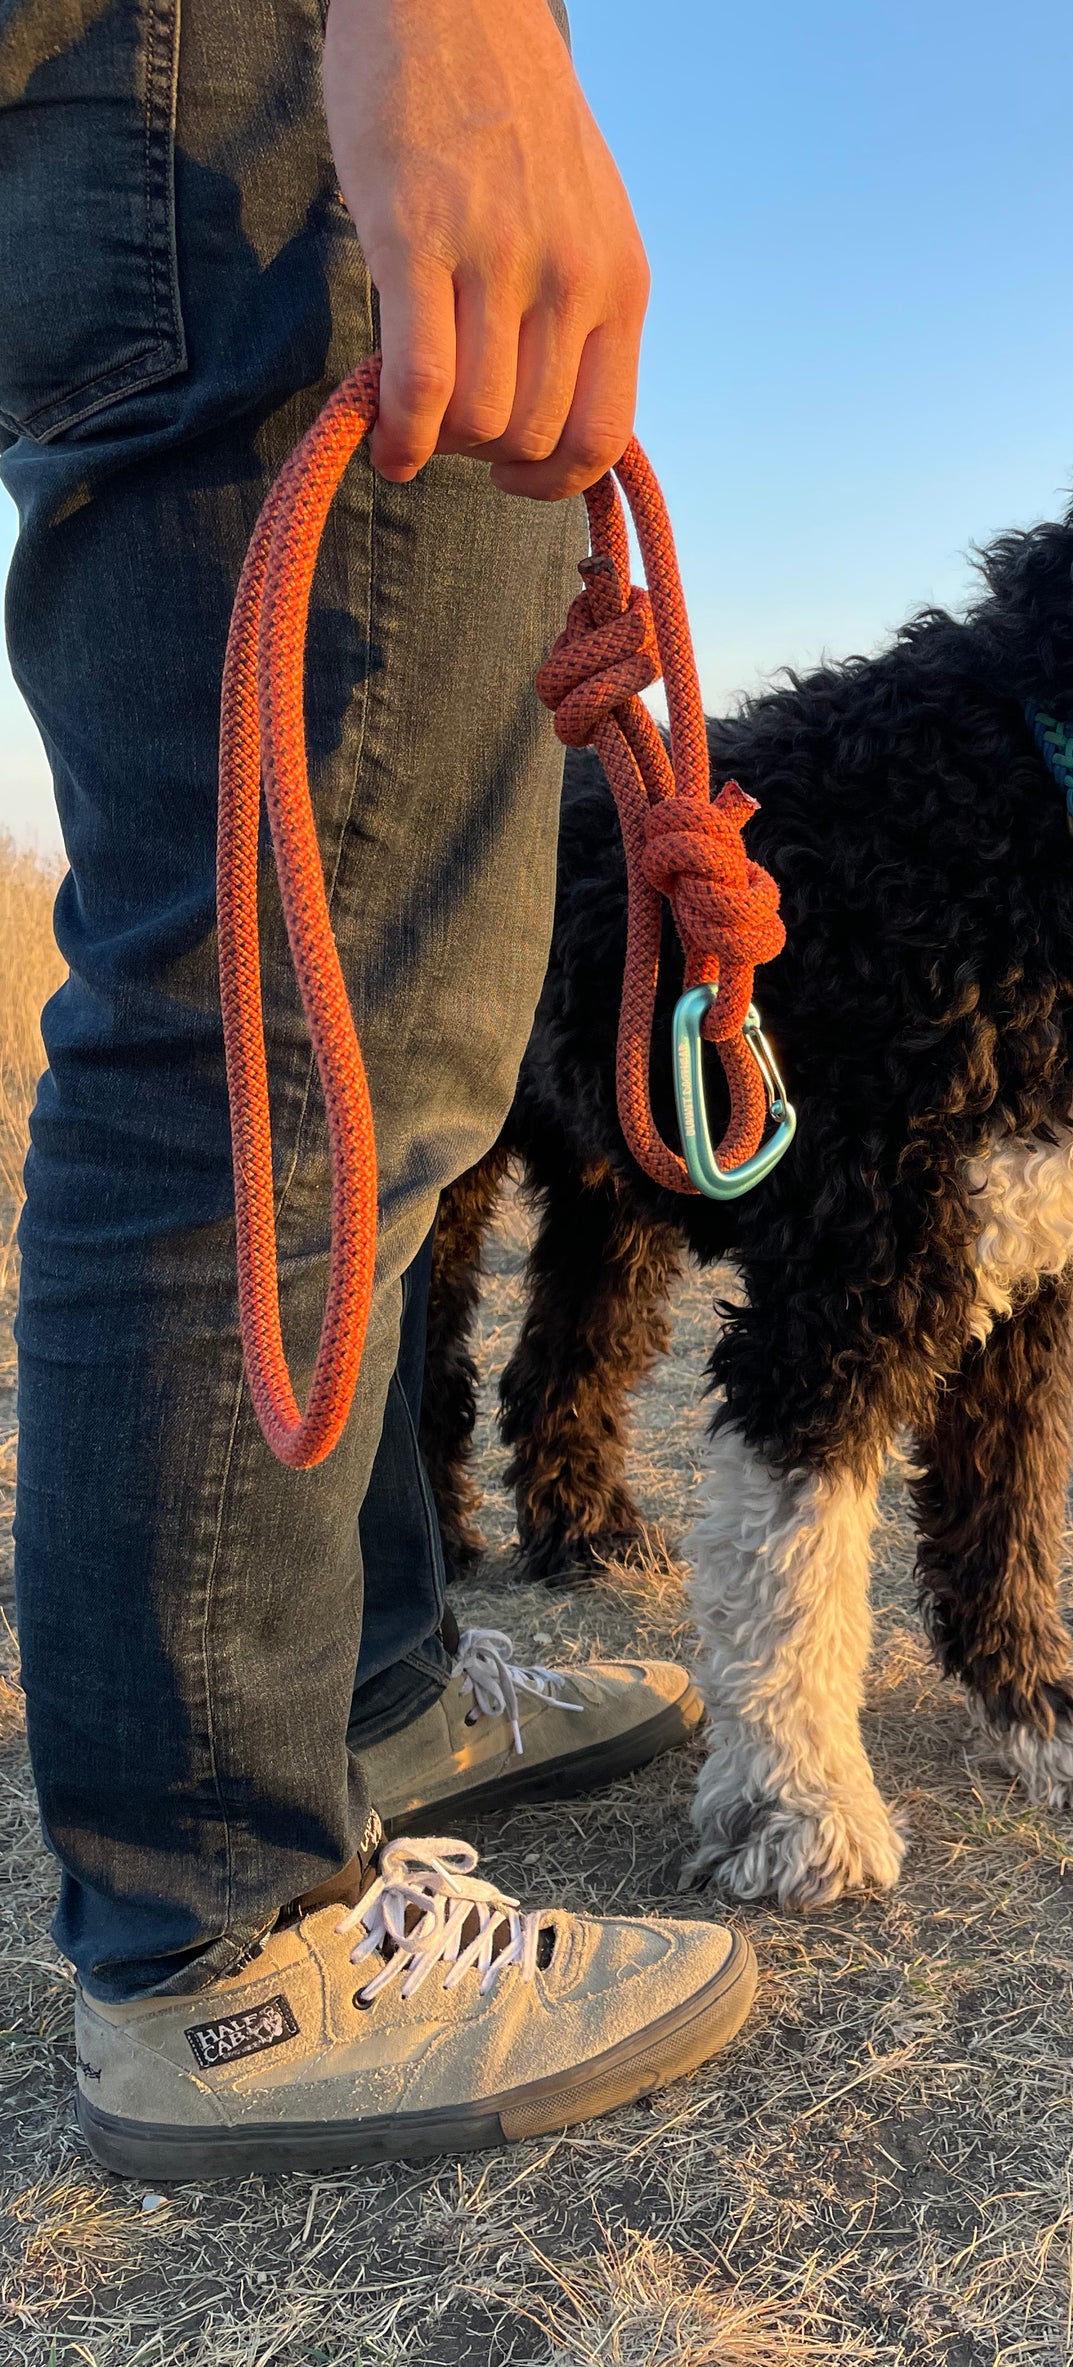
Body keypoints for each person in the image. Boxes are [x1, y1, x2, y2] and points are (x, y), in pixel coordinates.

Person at [0, 0, 756, 2179]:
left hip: (192, 96)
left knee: (375, 1031)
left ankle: (373, 1690)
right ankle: (226, 1945)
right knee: (278, 1012)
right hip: (223, 79)